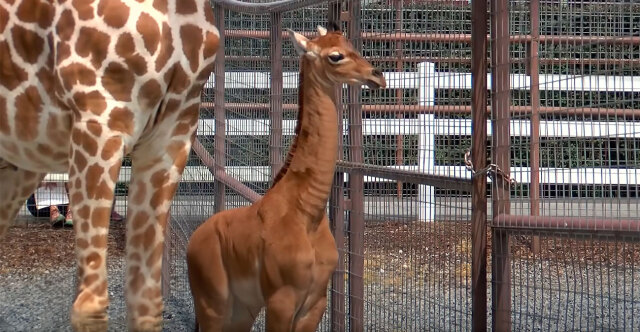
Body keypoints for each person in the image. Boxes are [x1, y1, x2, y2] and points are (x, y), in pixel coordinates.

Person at [26, 181, 124, 227]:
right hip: (40, 205)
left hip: (71, 205)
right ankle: (54, 210)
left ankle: (70, 212)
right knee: (52, 175)